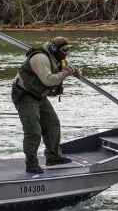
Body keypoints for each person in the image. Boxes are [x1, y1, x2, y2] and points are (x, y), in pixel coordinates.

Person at [12, 36, 80, 174]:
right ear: (54, 49)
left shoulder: (57, 57)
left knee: (52, 123)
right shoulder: (40, 58)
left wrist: (76, 71)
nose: (67, 52)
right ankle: (31, 163)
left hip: (39, 96)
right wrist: (65, 73)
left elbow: (68, 67)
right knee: (33, 130)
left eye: (68, 50)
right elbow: (48, 80)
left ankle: (53, 156)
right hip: (25, 95)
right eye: (65, 50)